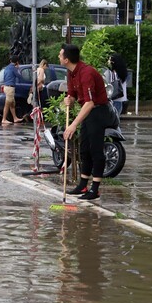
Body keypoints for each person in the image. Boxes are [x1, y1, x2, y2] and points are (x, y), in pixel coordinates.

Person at [59, 44, 110, 201]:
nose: (59, 57)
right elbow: (73, 96)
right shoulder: (71, 73)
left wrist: (73, 125)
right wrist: (69, 99)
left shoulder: (86, 73)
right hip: (87, 112)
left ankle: (95, 189)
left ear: (66, 59)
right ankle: (83, 184)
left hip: (98, 112)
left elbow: (90, 103)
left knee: (95, 150)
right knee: (84, 149)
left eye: (60, 55)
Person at [2, 55, 24, 124]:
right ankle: (4, 119)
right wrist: (18, 68)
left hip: (6, 87)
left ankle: (15, 118)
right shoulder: (13, 68)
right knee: (7, 104)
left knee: (12, 103)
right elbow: (19, 76)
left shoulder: (6, 68)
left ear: (10, 60)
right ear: (17, 62)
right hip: (10, 88)